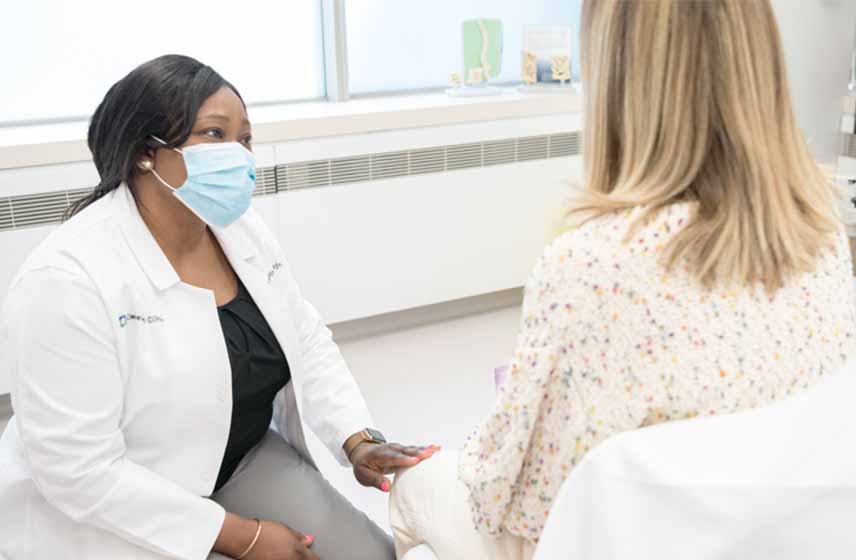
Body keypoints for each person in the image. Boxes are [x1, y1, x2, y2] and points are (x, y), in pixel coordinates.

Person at [389, 1, 856, 558]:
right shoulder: (824, 236)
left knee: (417, 485)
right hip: (783, 534)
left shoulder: (589, 267)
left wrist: (472, 452)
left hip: (633, 540)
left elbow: (510, 504)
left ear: (618, 79)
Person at [0, 54, 438, 560]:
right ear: (147, 152)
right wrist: (241, 536)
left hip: (237, 460)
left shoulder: (238, 229)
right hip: (116, 506)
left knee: (372, 557)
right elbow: (77, 471)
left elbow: (304, 334)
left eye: (245, 138)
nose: (240, 156)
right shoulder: (66, 280)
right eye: (214, 134)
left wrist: (357, 440)